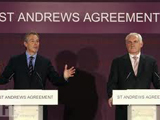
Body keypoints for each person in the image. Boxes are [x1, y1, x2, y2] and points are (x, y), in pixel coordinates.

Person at [0, 32, 75, 120]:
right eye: (32, 41)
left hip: (38, 106)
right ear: (25, 44)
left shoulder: (45, 62)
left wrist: (64, 77)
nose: (36, 44)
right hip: (20, 105)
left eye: (37, 41)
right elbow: (4, 79)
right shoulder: (15, 61)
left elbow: (55, 80)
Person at [107, 33, 160, 120]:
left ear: (141, 44)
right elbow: (112, 82)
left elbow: (157, 81)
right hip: (124, 107)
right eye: (129, 42)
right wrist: (112, 95)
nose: (132, 44)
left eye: (135, 41)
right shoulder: (118, 62)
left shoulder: (151, 62)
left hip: (144, 107)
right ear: (126, 44)